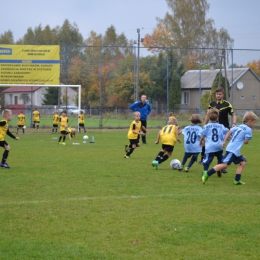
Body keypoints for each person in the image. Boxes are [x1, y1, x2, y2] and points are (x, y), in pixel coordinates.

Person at [202, 111, 258, 185]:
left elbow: (229, 131)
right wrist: (246, 139)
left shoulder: (238, 126)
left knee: (242, 163)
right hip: (233, 150)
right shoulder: (248, 129)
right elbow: (246, 142)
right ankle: (207, 174)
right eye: (254, 122)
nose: (254, 124)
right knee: (225, 165)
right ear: (250, 121)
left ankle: (237, 180)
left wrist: (224, 141)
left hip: (233, 149)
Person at [199, 86, 237, 175]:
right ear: (215, 95)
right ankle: (204, 159)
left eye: (220, 94)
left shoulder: (227, 104)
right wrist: (205, 124)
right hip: (212, 126)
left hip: (224, 127)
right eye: (217, 94)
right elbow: (208, 115)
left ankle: (221, 165)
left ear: (223, 94)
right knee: (211, 143)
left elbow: (233, 115)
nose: (218, 96)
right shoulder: (212, 104)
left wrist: (234, 123)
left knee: (223, 144)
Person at [199, 108, 229, 176]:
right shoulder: (221, 126)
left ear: (208, 117)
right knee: (220, 158)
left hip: (210, 146)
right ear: (217, 118)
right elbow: (226, 131)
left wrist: (201, 142)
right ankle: (218, 169)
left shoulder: (206, 126)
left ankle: (205, 172)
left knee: (207, 160)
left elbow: (202, 136)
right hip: (219, 146)